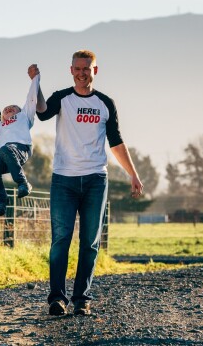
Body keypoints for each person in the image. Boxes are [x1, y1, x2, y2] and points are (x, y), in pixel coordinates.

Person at [36, 49, 143, 316]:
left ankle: (82, 299)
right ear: (71, 70)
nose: (82, 73)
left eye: (87, 68)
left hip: (96, 180)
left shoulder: (105, 103)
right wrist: (35, 84)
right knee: (61, 239)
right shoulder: (62, 99)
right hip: (64, 179)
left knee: (90, 242)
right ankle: (57, 299)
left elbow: (116, 142)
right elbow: (41, 113)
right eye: (78, 68)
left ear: (95, 70)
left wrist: (133, 173)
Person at [0, 64, 47, 216]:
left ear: (20, 111)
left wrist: (35, 79)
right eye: (6, 109)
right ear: (3, 117)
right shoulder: (1, 126)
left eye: (13, 107)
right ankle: (2, 200)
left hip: (21, 148)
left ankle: (23, 183)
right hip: (4, 154)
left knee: (6, 148)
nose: (9, 108)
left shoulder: (25, 116)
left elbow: (31, 98)